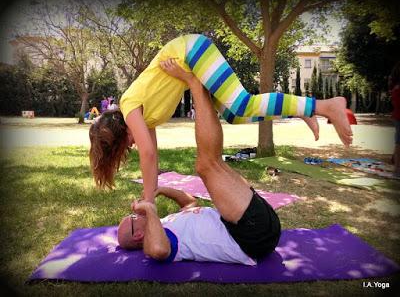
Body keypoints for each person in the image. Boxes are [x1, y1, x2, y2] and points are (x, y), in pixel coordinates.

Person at [89, 34, 353, 202]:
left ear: (122, 129)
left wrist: (148, 201)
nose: (133, 145)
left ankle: (326, 105)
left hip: (189, 52)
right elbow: (153, 157)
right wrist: (150, 194)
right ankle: (304, 109)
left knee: (241, 104)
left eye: (127, 143)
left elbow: (146, 155)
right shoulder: (146, 120)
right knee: (234, 115)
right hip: (189, 62)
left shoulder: (129, 105)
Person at [117, 67, 281, 264]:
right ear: (137, 236)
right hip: (250, 236)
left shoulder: (165, 224)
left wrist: (160, 190)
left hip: (252, 222)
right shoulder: (156, 242)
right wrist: (150, 209)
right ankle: (196, 85)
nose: (136, 212)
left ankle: (200, 90)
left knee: (211, 164)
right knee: (206, 165)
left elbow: (190, 203)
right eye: (132, 218)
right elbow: (159, 251)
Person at [389, 62, 400, 177]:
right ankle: (397, 169)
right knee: (399, 142)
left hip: (397, 116)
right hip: (398, 116)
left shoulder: (395, 88)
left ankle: (396, 164)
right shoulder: (397, 89)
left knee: (398, 142)